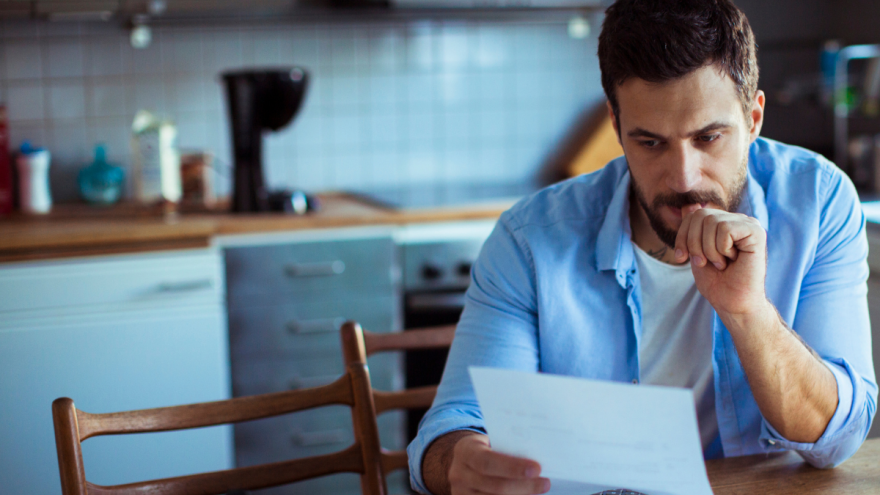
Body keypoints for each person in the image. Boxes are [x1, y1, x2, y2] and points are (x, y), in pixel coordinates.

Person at [406, 0, 879, 494]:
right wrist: (461, 460)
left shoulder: (818, 201)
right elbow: (452, 430)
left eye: (709, 137)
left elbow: (837, 441)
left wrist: (748, 312)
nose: (683, 178)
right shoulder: (530, 240)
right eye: (650, 143)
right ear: (616, 127)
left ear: (754, 118)